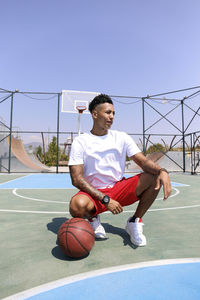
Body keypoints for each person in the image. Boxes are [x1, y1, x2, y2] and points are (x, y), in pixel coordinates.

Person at [68, 94, 171, 247]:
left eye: (113, 113)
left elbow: (142, 161)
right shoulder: (81, 141)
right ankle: (92, 218)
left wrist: (163, 171)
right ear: (95, 114)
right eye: (108, 112)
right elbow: (76, 179)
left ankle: (134, 221)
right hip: (94, 193)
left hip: (118, 189)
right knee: (76, 205)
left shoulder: (121, 137)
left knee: (154, 176)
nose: (112, 117)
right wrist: (105, 200)